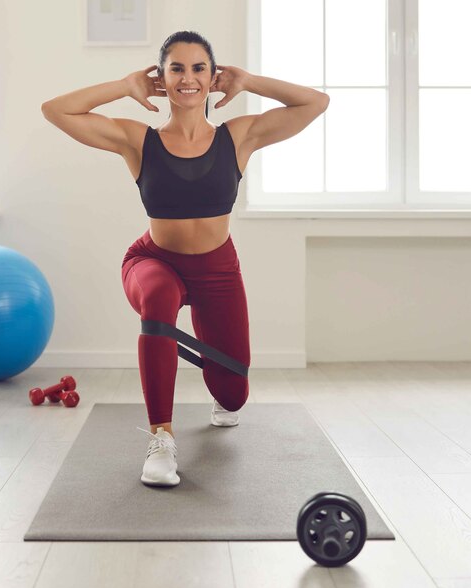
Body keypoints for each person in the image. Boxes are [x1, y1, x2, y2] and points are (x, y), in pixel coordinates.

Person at [41, 30, 328, 487]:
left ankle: (223, 391)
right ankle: (161, 440)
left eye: (199, 68)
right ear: (162, 77)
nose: (188, 78)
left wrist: (248, 80)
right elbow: (55, 110)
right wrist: (125, 86)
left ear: (214, 78)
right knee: (157, 301)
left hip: (217, 270)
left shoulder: (239, 136)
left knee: (234, 397)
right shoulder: (139, 140)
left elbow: (315, 102)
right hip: (154, 261)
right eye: (176, 68)